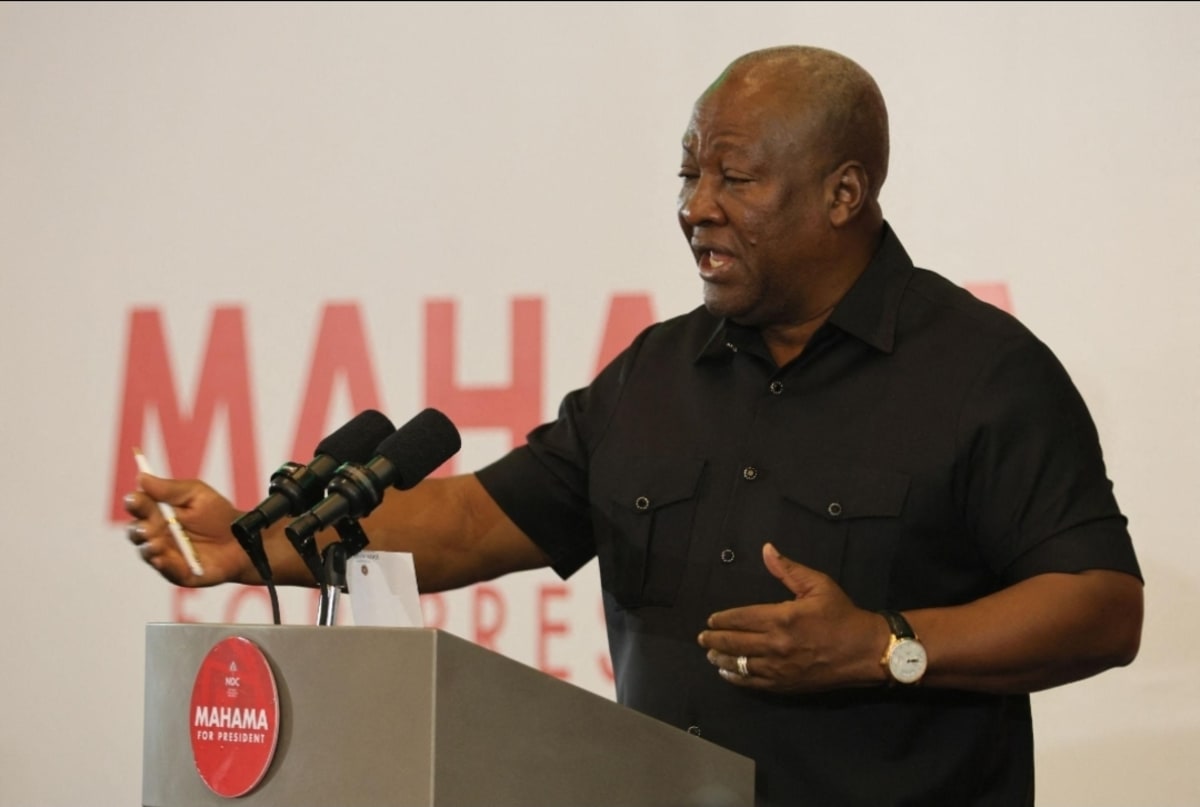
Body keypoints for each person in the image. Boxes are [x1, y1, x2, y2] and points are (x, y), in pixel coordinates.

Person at [123, 45, 1144, 806]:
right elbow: (481, 520)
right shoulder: (657, 372)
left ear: (845, 194)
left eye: (733, 178)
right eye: (688, 174)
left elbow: (1102, 604)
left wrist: (886, 646)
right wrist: (253, 542)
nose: (696, 206)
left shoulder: (981, 373)